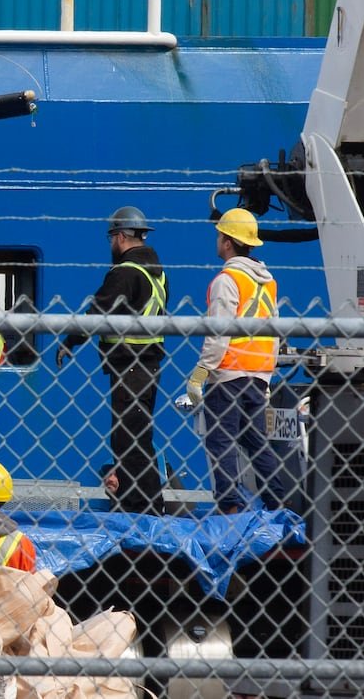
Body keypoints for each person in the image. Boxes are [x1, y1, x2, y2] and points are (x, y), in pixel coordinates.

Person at [55, 206, 168, 514]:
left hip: (130, 364)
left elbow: (99, 311)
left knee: (127, 439)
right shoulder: (156, 272)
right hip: (149, 364)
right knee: (137, 436)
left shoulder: (125, 272)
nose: (111, 246)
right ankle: (143, 505)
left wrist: (71, 342)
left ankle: (141, 507)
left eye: (111, 239)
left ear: (120, 236)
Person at [187, 207, 288, 514]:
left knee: (221, 441)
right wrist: (267, 379)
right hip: (257, 376)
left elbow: (219, 332)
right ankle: (278, 504)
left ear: (228, 242)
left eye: (220, 236)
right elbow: (274, 333)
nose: (217, 241)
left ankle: (230, 508)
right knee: (256, 443)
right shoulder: (267, 282)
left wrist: (201, 373)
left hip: (229, 374)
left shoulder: (227, 280)